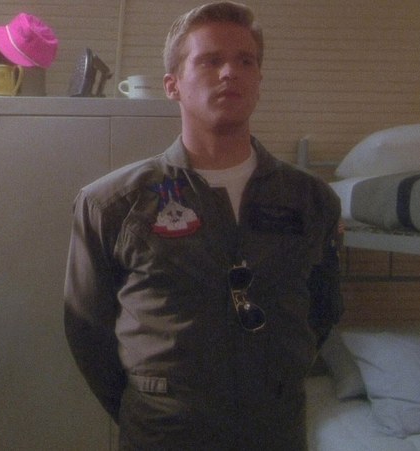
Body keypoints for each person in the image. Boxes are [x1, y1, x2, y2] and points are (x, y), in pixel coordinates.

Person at [63, 2, 343, 449]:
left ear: (259, 80)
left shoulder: (311, 200)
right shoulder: (114, 204)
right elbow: (87, 331)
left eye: (245, 60)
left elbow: (322, 311)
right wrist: (153, 407)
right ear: (172, 85)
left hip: (274, 431)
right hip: (164, 434)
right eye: (210, 60)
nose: (230, 72)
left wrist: (275, 377)